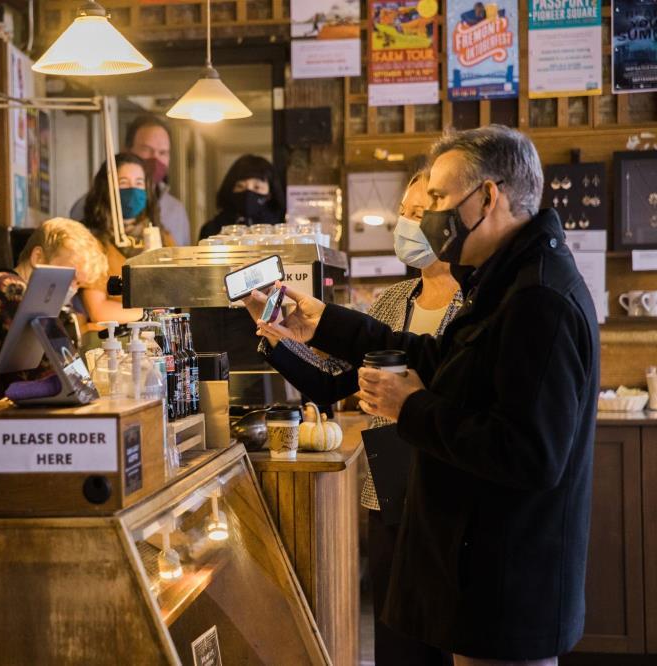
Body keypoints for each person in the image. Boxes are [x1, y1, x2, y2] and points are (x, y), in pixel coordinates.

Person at [253, 126, 599, 665]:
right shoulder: (500, 281)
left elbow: (530, 455)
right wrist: (321, 323)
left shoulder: (538, 299)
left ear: (488, 197)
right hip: (477, 574)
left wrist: (409, 407)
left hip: (505, 586)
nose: (426, 217)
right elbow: (435, 359)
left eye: (438, 199)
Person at [244, 171, 459, 666]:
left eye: (420, 213)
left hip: (450, 480)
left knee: (451, 635)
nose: (407, 223)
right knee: (398, 634)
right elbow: (331, 383)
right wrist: (276, 336)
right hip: (387, 484)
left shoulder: (476, 306)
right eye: (403, 212)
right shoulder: (390, 301)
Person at [0, 217, 108, 400]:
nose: (72, 288)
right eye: (70, 277)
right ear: (37, 257)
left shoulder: (4, 287)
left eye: (79, 284)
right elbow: (62, 380)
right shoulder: (8, 289)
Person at [71, 114, 191, 246]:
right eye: (147, 149)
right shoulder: (88, 207)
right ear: (127, 150)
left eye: (162, 153)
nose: (155, 158)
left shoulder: (177, 211)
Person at [79, 152, 170, 326]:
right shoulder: (91, 242)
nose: (133, 190)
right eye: (123, 183)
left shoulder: (163, 238)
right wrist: (150, 314)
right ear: (107, 189)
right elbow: (98, 310)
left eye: (139, 183)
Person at [199, 154, 285, 240]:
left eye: (257, 187)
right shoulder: (212, 230)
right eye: (240, 186)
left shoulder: (282, 229)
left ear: (271, 193)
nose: (248, 192)